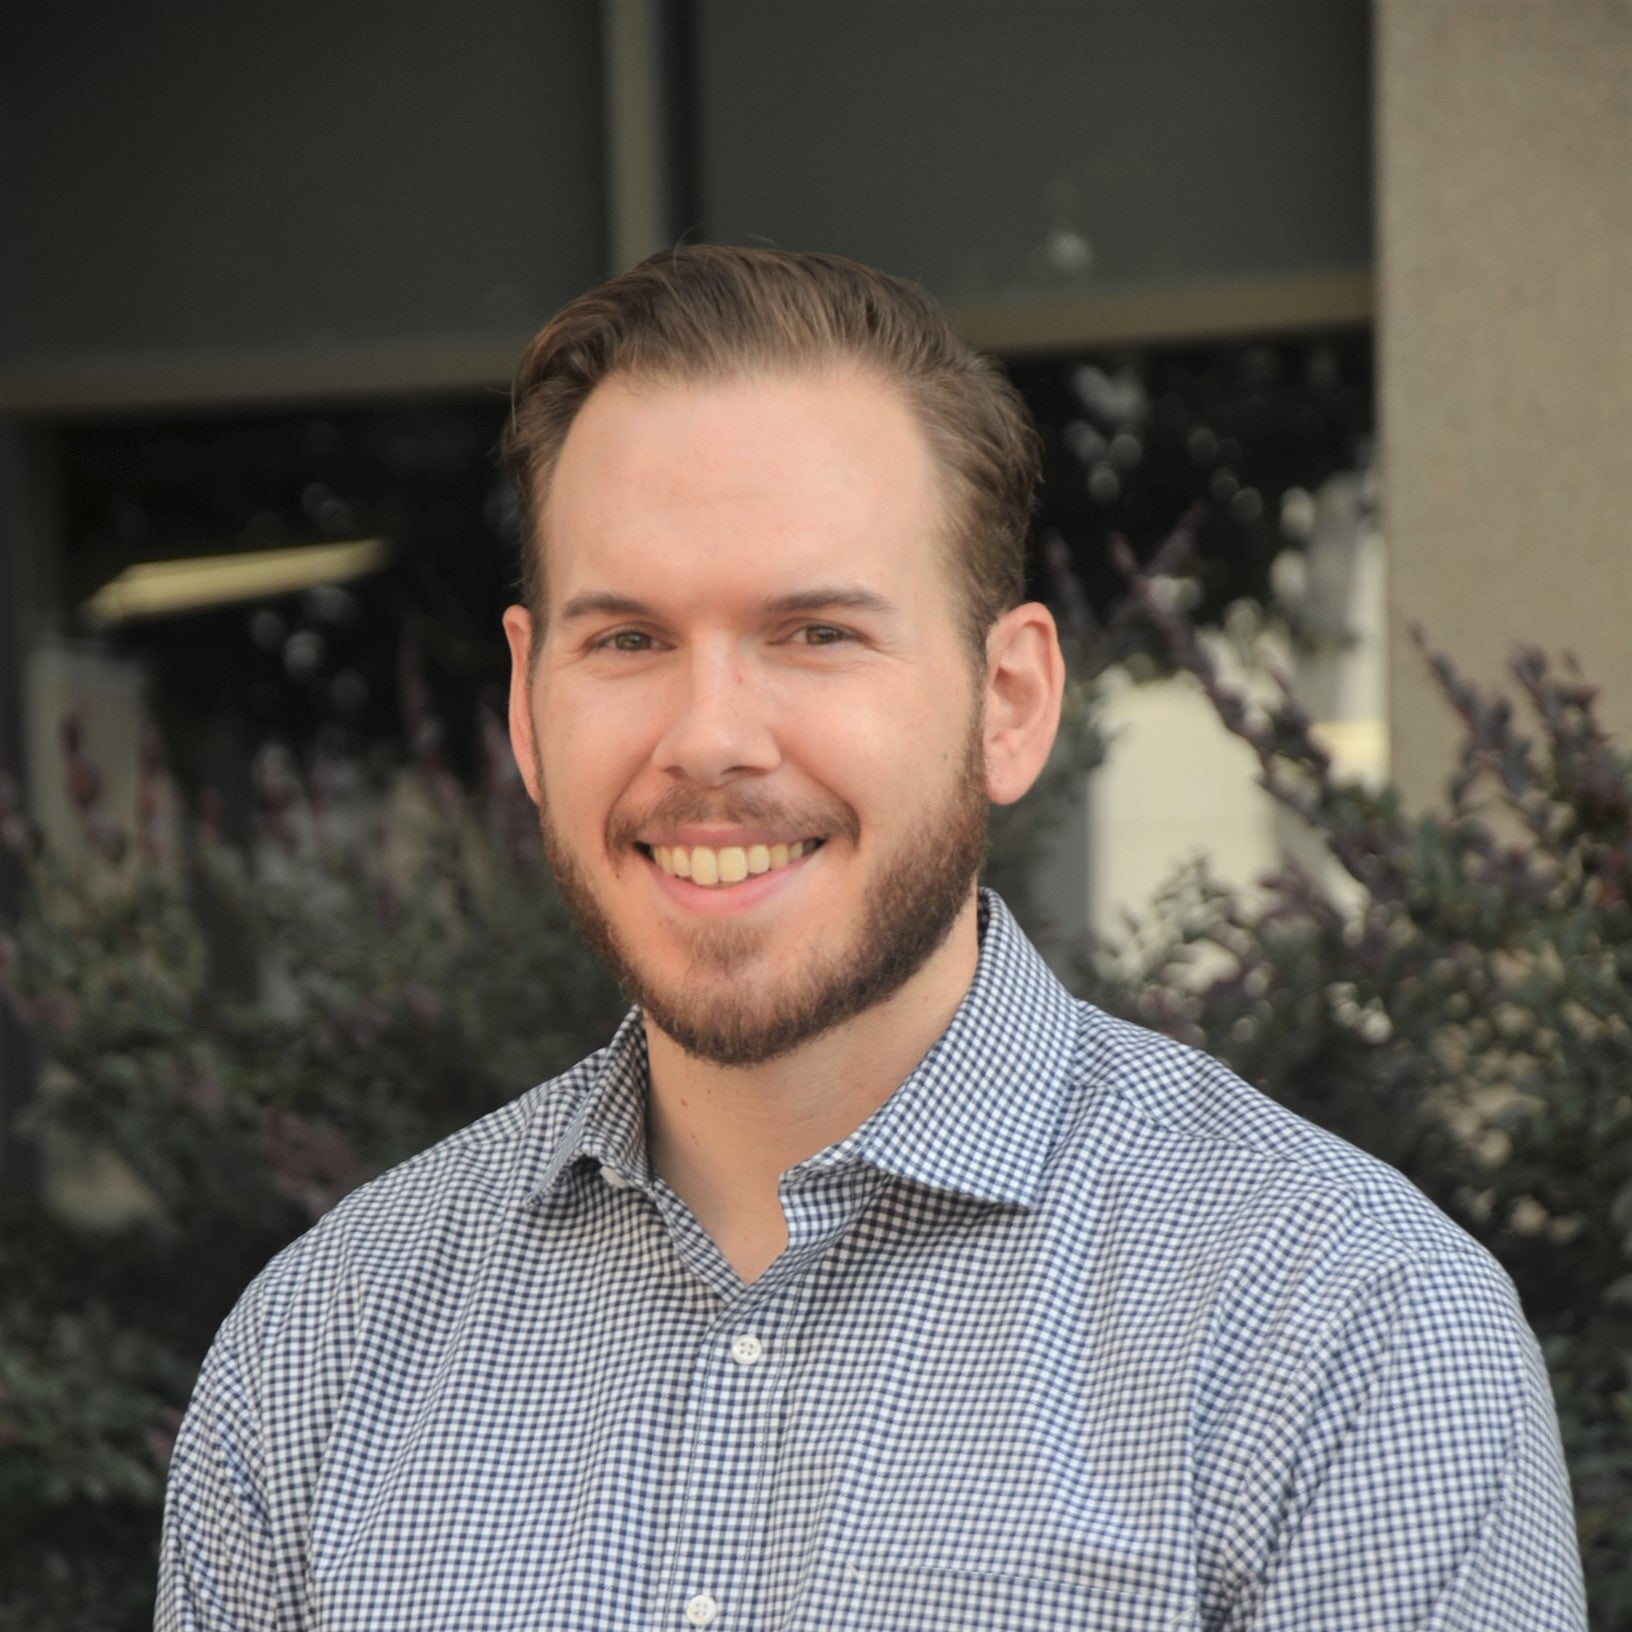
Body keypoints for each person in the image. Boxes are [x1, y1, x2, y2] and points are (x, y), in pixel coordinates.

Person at [156, 247, 1586, 1631]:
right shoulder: (322, 1354)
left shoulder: (1349, 1334)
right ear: (530, 706)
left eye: (815, 633)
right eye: (630, 641)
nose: (709, 739)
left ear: (1011, 700)